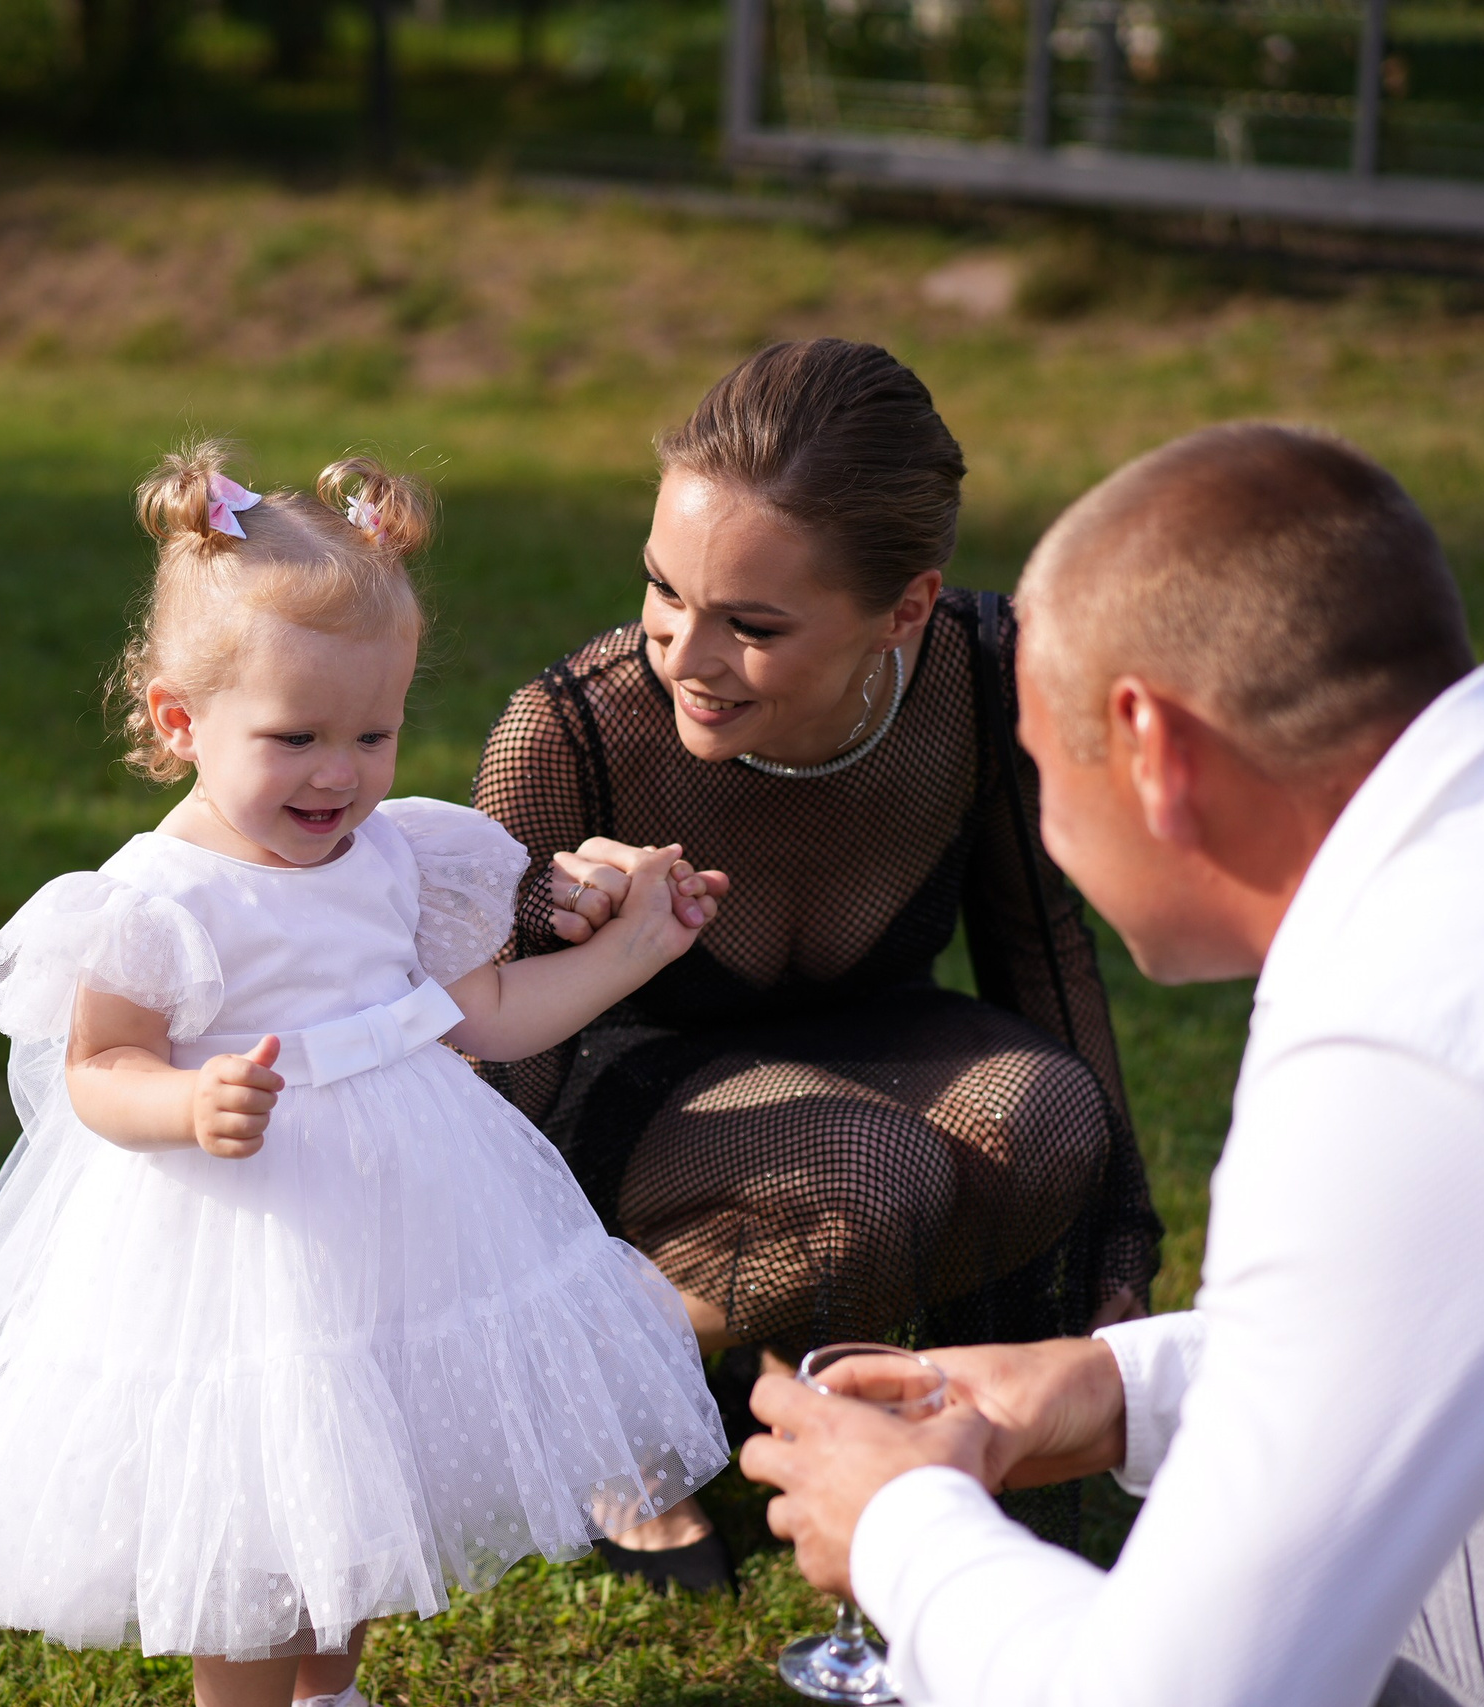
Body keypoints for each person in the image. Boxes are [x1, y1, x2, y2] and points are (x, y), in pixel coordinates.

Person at [743, 422, 1484, 1707]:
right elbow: (1449, 1318)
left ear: (1150, 746)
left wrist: (900, 1529)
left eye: (1041, 764)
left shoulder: (1411, 1040)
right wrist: (1114, 1386)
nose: (1044, 820)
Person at [0, 444, 732, 1707]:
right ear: (182, 722)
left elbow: (488, 1018)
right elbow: (98, 1068)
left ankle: (329, 1691)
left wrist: (636, 949)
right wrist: (186, 1101)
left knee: (363, 1475)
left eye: (373, 733)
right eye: (296, 738)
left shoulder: (403, 856)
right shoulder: (157, 899)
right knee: (255, 1505)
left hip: (398, 1219)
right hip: (236, 1242)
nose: (341, 773)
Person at [471, 339, 1164, 1583]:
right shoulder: (571, 729)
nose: (683, 652)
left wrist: (1119, 1230)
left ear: (904, 609)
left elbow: (1039, 943)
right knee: (870, 1174)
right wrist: (482, 1298)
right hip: (637, 1091)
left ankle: (903, 1428)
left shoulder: (982, 672)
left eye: (751, 625)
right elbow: (486, 1057)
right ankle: (596, 1388)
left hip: (877, 1037)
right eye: (663, 589)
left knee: (1049, 1122)